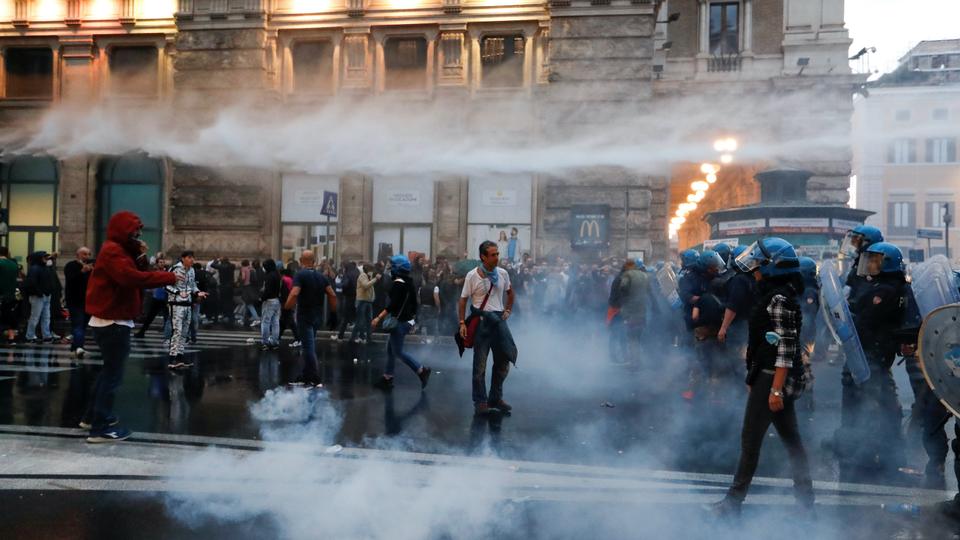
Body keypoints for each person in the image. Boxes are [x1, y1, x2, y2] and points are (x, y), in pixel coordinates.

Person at [709, 237, 813, 518]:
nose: (754, 268)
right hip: (769, 375)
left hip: (771, 378)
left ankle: (732, 504)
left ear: (772, 266)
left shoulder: (779, 299)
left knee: (750, 442)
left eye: (758, 263)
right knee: (792, 441)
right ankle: (806, 502)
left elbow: (786, 347)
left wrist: (775, 389)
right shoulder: (777, 294)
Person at [81, 211, 176, 443]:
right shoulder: (113, 250)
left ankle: (93, 418)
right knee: (112, 376)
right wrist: (168, 277)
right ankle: (99, 429)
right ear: (124, 230)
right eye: (135, 230)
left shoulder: (117, 250)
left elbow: (135, 272)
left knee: (108, 372)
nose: (139, 234)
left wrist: (138, 253)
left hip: (111, 319)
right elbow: (131, 278)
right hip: (113, 321)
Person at [837, 242, 909, 481]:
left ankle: (869, 455)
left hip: (873, 353)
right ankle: (887, 453)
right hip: (872, 354)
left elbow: (863, 318)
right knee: (884, 404)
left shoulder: (885, 291)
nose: (868, 265)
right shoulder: (883, 286)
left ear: (886, 264)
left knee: (871, 406)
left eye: (874, 260)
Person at [458, 241, 518, 416]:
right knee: (480, 366)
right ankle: (480, 401)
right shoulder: (472, 276)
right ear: (483, 257)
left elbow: (510, 293)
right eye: (493, 255)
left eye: (497, 254)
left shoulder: (503, 273)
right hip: (481, 322)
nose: (497, 257)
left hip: (498, 321)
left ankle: (495, 398)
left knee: (503, 363)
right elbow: (463, 300)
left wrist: (508, 310)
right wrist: (462, 323)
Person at [372, 255, 431, 391]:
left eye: (392, 266)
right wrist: (413, 321)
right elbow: (415, 304)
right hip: (405, 321)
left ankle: (421, 370)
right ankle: (387, 378)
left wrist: (378, 318)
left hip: (399, 322)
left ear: (398, 269)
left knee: (398, 352)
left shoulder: (398, 284)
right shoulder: (409, 282)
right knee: (391, 350)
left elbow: (392, 305)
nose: (390, 268)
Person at [284, 250, 337, 387]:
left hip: (304, 315)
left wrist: (286, 308)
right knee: (307, 345)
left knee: (308, 347)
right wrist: (333, 313)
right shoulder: (321, 277)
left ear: (301, 260)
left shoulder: (300, 275)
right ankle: (305, 375)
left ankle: (314, 378)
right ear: (314, 261)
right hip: (317, 316)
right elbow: (332, 295)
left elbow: (294, 293)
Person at [166, 251, 206, 369]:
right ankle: (172, 358)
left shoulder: (192, 270)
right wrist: (177, 292)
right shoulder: (175, 269)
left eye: (193, 258)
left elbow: (192, 285)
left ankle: (180, 356)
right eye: (189, 257)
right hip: (176, 303)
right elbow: (166, 285)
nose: (192, 260)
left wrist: (198, 292)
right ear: (183, 258)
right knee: (177, 331)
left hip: (188, 303)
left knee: (184, 332)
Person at [64, 247, 94, 358]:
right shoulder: (71, 265)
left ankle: (75, 347)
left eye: (88, 254)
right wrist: (82, 272)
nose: (87, 256)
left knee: (82, 325)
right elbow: (70, 280)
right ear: (78, 255)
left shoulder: (90, 267)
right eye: (84, 254)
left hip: (88, 300)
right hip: (75, 300)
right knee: (78, 324)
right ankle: (79, 347)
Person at [23, 251, 56, 343]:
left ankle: (45, 335)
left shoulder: (40, 268)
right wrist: (40, 293)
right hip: (39, 296)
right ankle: (30, 336)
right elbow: (32, 283)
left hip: (43, 295)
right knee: (36, 317)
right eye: (44, 257)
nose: (46, 258)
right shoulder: (36, 268)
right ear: (39, 258)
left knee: (44, 317)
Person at [351, 263, 379, 344]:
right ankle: (353, 338)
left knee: (368, 321)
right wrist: (375, 279)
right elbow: (365, 286)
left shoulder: (368, 276)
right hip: (362, 301)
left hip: (368, 301)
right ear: (368, 269)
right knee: (360, 321)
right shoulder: (362, 276)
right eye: (371, 270)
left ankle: (368, 338)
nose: (373, 271)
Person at [259, 258, 282, 350]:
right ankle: (275, 341)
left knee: (265, 322)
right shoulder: (277, 274)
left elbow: (267, 291)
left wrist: (261, 298)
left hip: (269, 301)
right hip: (276, 300)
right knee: (275, 322)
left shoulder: (269, 276)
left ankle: (265, 342)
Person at [335, 261, 359, 342]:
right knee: (356, 318)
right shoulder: (357, 272)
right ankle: (356, 337)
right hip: (356, 297)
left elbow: (345, 284)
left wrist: (337, 284)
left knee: (345, 318)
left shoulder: (348, 274)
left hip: (348, 297)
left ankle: (340, 336)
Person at [0, 247, 19, 344]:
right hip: (10, 295)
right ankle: (11, 338)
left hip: (1, 294)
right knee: (8, 316)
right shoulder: (13, 264)